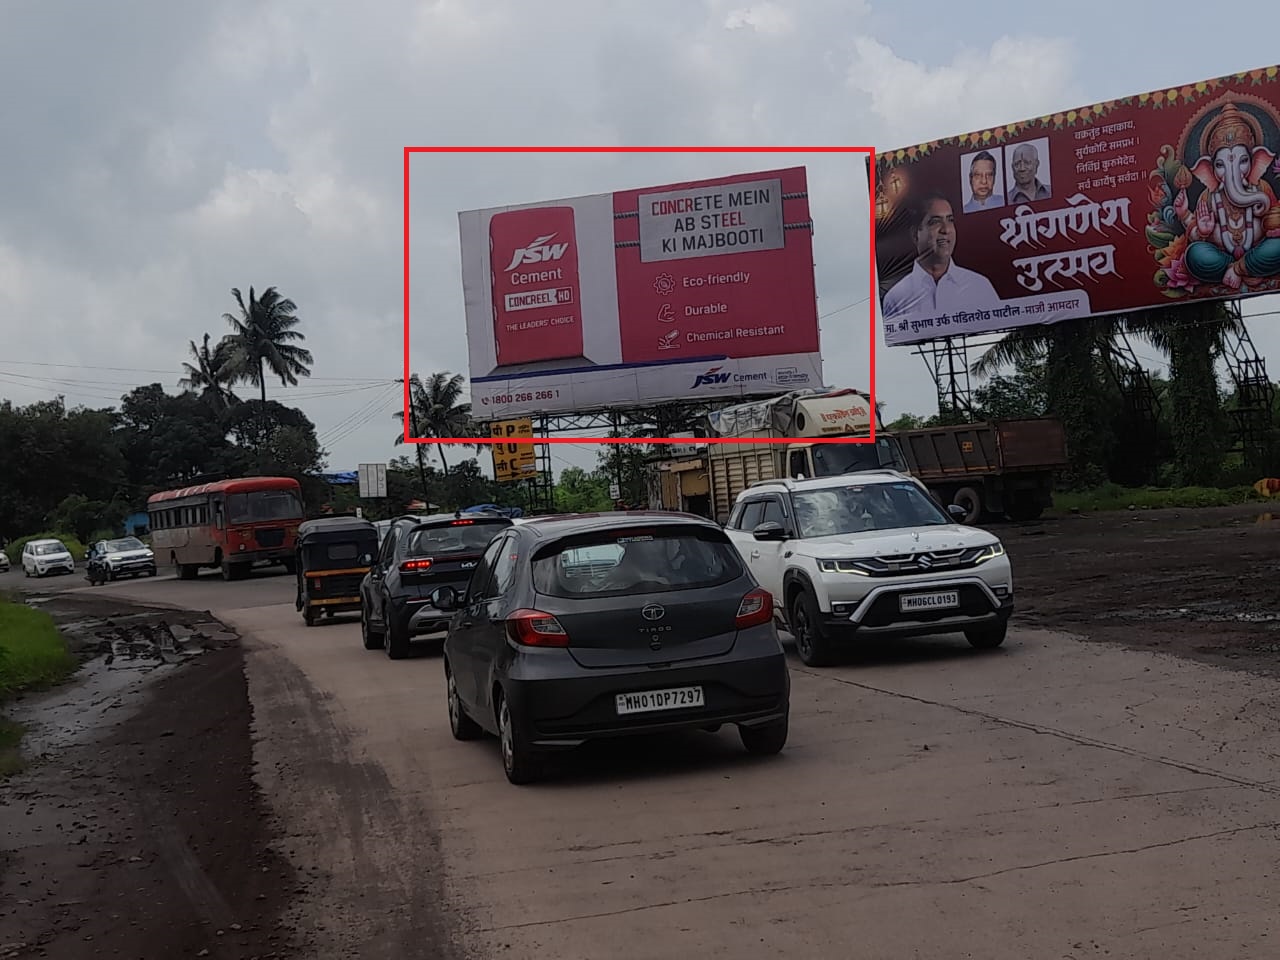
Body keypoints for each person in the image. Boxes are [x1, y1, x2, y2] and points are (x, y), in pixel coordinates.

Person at [881, 192, 1001, 324]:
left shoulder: (979, 286)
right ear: (915, 234)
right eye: (935, 222)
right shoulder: (895, 299)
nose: (946, 230)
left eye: (950, 220)